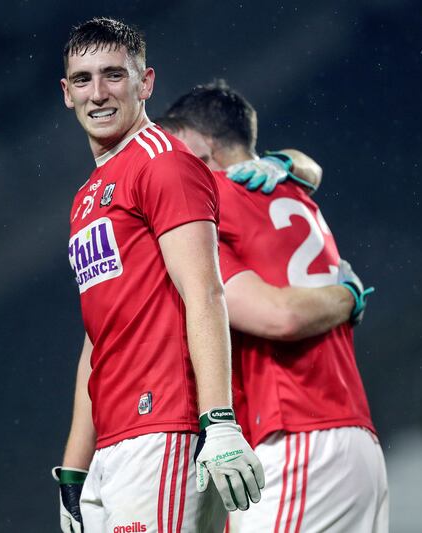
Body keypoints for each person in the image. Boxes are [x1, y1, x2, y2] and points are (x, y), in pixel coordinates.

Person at [53, 18, 265, 533]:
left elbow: (206, 292)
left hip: (163, 428)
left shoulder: (163, 165)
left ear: (145, 82)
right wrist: (75, 469)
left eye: (113, 76)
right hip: (115, 441)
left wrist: (217, 421)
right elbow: (97, 339)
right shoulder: (87, 197)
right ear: (66, 92)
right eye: (83, 79)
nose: (98, 93)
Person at [162, 81, 388, 533]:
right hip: (354, 441)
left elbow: (277, 316)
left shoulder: (213, 199)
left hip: (297, 436)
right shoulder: (294, 192)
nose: (172, 167)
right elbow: (310, 168)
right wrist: (290, 161)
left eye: (179, 150)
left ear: (205, 146)